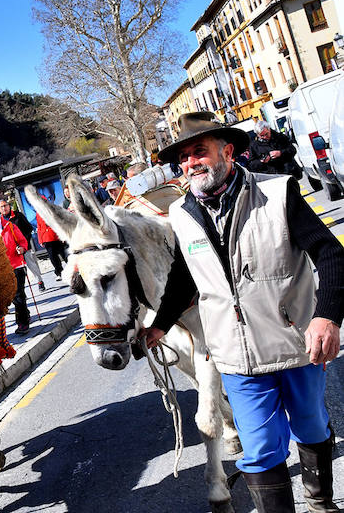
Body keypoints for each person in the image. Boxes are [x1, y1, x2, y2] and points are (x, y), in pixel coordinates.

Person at [140, 111, 343, 513]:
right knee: (261, 447)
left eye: (199, 152)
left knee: (310, 426)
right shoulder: (181, 214)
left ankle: (320, 502)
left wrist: (327, 316)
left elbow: (331, 253)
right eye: (183, 158)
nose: (190, 163)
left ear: (228, 151)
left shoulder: (278, 193)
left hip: (293, 342)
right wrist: (160, 325)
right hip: (234, 356)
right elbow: (185, 277)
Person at [0, 204, 31, 334]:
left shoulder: (10, 226)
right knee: (8, 297)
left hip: (15, 265)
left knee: (18, 294)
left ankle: (23, 323)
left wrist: (22, 248)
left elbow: (23, 241)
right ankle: (25, 313)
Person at [0, 199, 45, 291]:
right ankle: (21, 290)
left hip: (24, 246)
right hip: (11, 251)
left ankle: (40, 281)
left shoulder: (18, 215)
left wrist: (24, 243)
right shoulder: (0, 222)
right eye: (1, 207)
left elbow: (29, 228)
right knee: (17, 272)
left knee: (32, 265)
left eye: (5, 205)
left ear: (9, 206)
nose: (4, 208)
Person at [35, 211, 67, 281]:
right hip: (47, 238)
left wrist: (62, 234)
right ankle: (59, 273)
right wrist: (40, 240)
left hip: (56, 236)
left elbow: (59, 222)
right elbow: (39, 226)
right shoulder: (38, 213)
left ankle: (75, 269)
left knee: (65, 255)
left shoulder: (49, 208)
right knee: (53, 258)